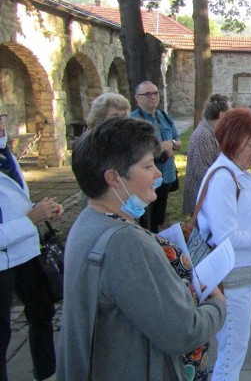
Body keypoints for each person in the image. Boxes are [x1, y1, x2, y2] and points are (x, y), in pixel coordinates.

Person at [57, 117, 226, 380]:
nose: (158, 174)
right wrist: (218, 304)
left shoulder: (89, 219)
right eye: (148, 166)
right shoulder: (124, 243)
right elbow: (182, 331)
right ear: (113, 177)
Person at [195, 107, 251, 381]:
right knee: (233, 350)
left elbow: (242, 219)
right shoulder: (224, 177)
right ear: (233, 142)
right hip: (231, 281)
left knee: (234, 347)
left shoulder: (235, 172)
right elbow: (227, 236)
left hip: (240, 277)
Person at [0, 114, 62, 381]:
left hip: (27, 251)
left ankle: (47, 373)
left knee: (41, 312)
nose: (2, 124)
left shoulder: (6, 155)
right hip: (3, 263)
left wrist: (42, 210)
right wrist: (30, 219)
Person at [131, 80, 182, 232]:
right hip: (147, 180)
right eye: (147, 94)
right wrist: (157, 150)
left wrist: (171, 143)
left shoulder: (164, 116)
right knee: (146, 220)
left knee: (159, 216)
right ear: (137, 98)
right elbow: (131, 152)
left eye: (155, 93)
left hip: (166, 176)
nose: (153, 97)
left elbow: (178, 142)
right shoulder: (133, 120)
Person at [183, 94, 231, 215]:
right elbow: (203, 172)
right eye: (230, 111)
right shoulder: (204, 135)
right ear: (222, 115)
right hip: (202, 197)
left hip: (210, 195)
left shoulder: (213, 131)